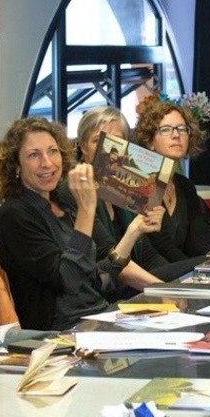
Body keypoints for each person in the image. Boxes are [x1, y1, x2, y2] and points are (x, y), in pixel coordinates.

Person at [0, 117, 161, 330]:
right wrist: (86, 211)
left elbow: (98, 281)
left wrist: (134, 231)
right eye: (34, 155)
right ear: (16, 166)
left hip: (99, 315)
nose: (47, 163)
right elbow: (68, 280)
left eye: (53, 151)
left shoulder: (59, 203)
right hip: (63, 330)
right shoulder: (15, 214)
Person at [71, 106, 196, 284]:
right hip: (110, 286)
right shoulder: (77, 189)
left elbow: (148, 254)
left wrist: (179, 283)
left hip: (136, 280)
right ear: (83, 147)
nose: (109, 149)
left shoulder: (126, 184)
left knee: (204, 268)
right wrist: (165, 289)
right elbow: (112, 263)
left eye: (117, 140)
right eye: (98, 140)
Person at [130, 98, 210, 261]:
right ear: (149, 141)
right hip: (155, 271)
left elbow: (201, 242)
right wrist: (196, 269)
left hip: (186, 269)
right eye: (166, 129)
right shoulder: (142, 183)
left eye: (182, 129)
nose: (176, 135)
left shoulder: (185, 186)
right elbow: (162, 248)